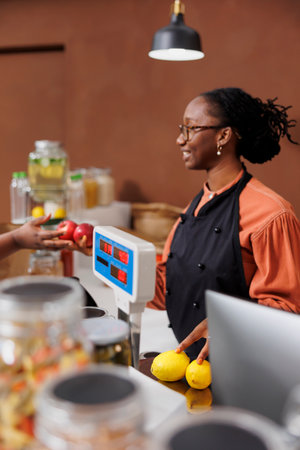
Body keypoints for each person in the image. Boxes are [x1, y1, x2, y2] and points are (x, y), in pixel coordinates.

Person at [147, 87, 300, 363]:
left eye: (191, 128)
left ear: (223, 135)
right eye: (182, 128)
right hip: (191, 369)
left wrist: (228, 325)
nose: (181, 139)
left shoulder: (272, 214)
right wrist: (102, 254)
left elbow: (288, 309)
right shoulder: (191, 211)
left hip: (249, 371)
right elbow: (164, 292)